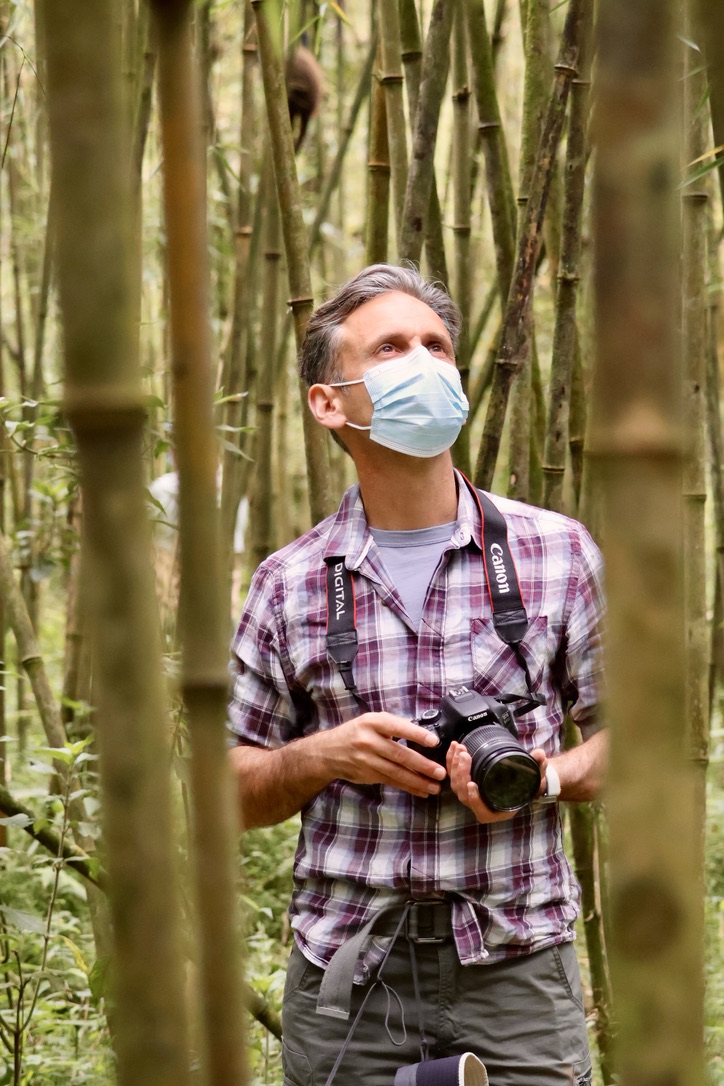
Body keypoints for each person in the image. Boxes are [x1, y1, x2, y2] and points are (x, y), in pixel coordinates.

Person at [228, 264, 606, 1086]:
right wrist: (326, 755)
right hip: (348, 976)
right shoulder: (288, 584)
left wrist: (540, 777)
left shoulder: (556, 553)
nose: (425, 363)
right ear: (329, 402)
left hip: (517, 969)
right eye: (391, 348)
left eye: (437, 346)